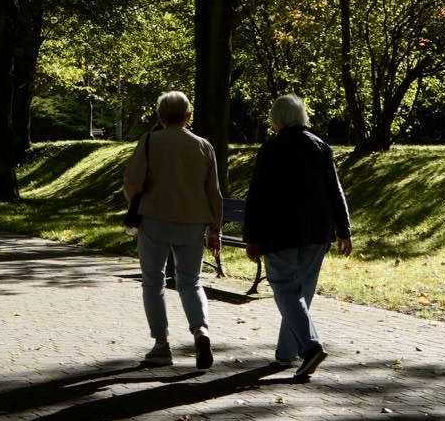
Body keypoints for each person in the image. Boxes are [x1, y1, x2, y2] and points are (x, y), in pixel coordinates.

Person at [243, 94, 353, 380]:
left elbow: (257, 197)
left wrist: (252, 237)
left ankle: (310, 346)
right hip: (317, 232)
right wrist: (344, 231)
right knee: (300, 293)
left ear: (276, 119)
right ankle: (285, 354)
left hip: (280, 233)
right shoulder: (320, 147)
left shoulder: (271, 149)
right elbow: (335, 191)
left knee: (284, 289)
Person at [122, 90, 223, 369]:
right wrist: (215, 228)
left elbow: (132, 181)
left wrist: (135, 202)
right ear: (188, 117)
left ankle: (161, 344)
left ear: (160, 116)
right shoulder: (204, 146)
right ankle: (201, 330)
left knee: (153, 282)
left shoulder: (150, 142)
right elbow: (213, 192)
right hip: (192, 222)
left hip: (154, 219)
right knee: (191, 281)